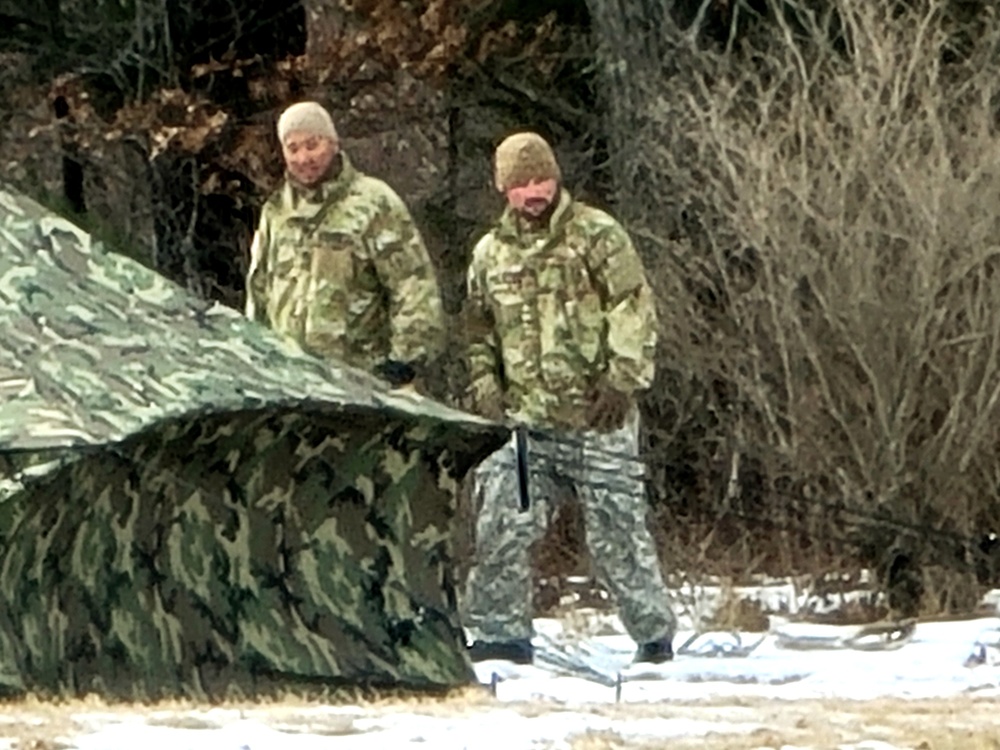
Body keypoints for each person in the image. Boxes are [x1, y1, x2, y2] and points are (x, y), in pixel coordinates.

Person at [461, 132, 677, 665]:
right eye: (520, 184)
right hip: (526, 424)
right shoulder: (489, 254)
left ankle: (654, 639)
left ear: (556, 179)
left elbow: (633, 306)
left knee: (617, 533)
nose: (533, 193)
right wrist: (486, 386)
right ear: (503, 189)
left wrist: (623, 379)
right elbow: (476, 329)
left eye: (541, 180)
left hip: (596, 417)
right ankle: (500, 638)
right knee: (502, 521)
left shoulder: (596, 234)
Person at [246, 101, 444, 387]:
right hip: (291, 381)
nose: (304, 157)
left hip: (362, 379)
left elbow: (411, 284)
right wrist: (258, 358)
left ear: (333, 142)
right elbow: (259, 291)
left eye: (312, 145)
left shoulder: (373, 203)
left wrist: (404, 362)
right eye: (293, 148)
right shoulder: (276, 213)